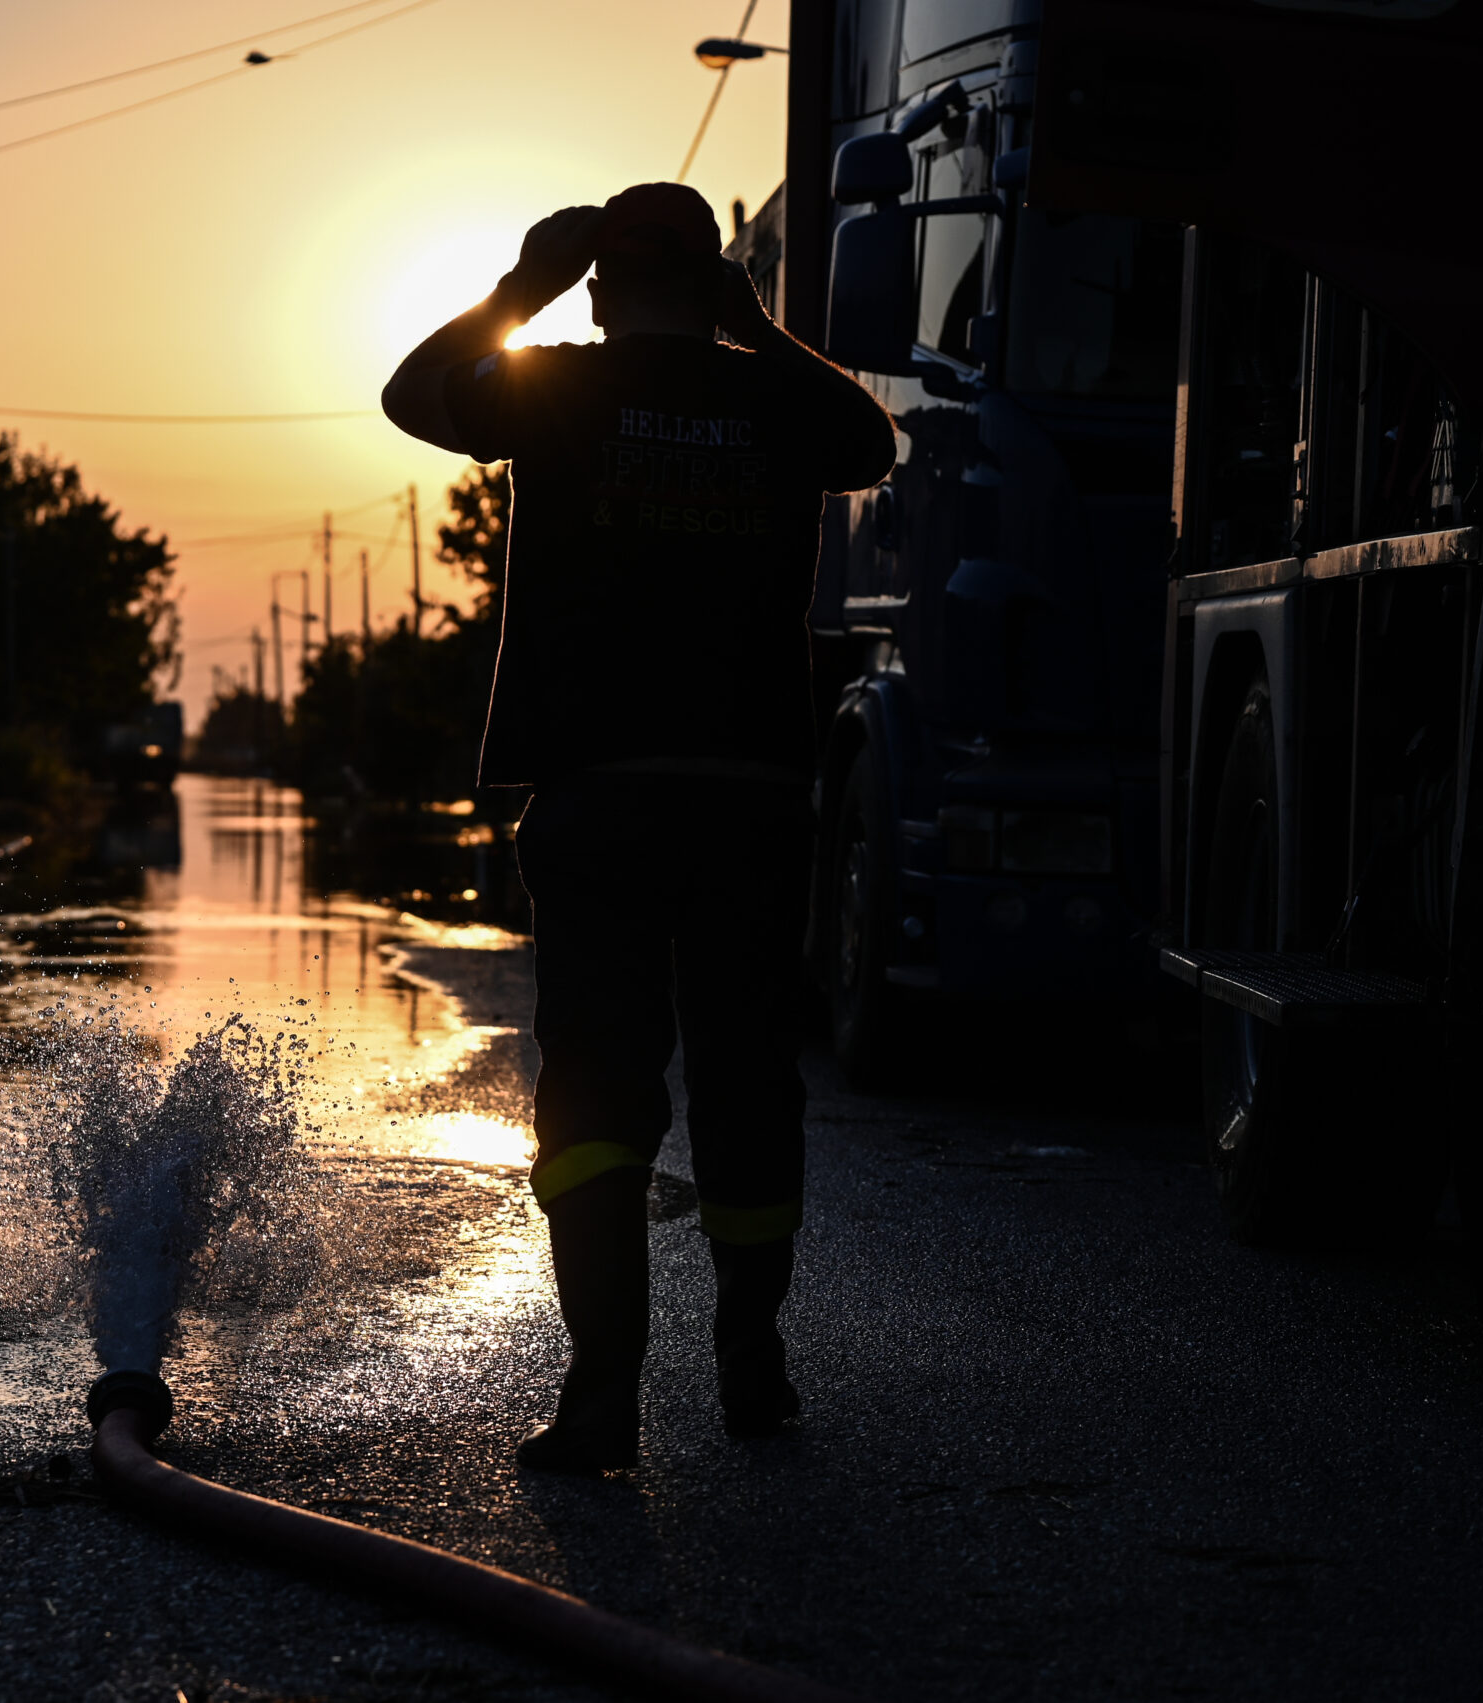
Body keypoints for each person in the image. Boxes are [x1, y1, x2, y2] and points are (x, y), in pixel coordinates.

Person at [381, 184, 897, 1471]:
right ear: (717, 282)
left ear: (599, 286)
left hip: (600, 793)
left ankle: (603, 1393)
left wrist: (518, 289)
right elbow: (870, 443)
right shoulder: (773, 398)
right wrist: (761, 332)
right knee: (744, 1079)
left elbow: (409, 396)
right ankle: (750, 1361)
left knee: (598, 1091)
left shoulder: (552, 384)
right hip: (751, 799)